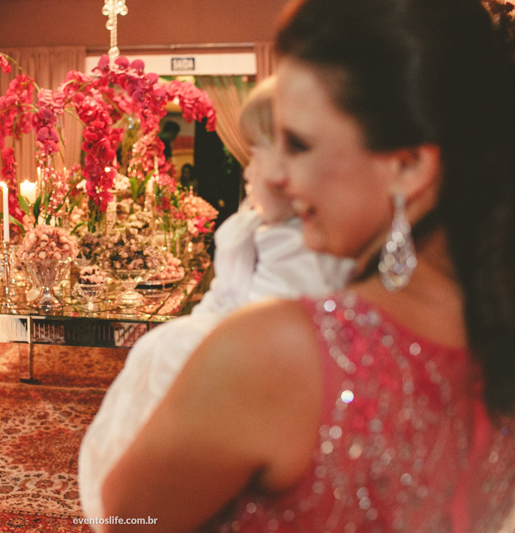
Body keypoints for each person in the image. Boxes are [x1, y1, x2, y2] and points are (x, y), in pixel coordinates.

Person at [99, 0, 515, 531]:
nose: (281, 178)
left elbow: (130, 522)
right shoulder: (493, 327)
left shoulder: (276, 351)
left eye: (298, 145)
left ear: (408, 167)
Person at [78, 76, 354, 524]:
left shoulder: (316, 255)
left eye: (257, 154)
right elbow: (228, 291)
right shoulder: (257, 225)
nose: (247, 167)